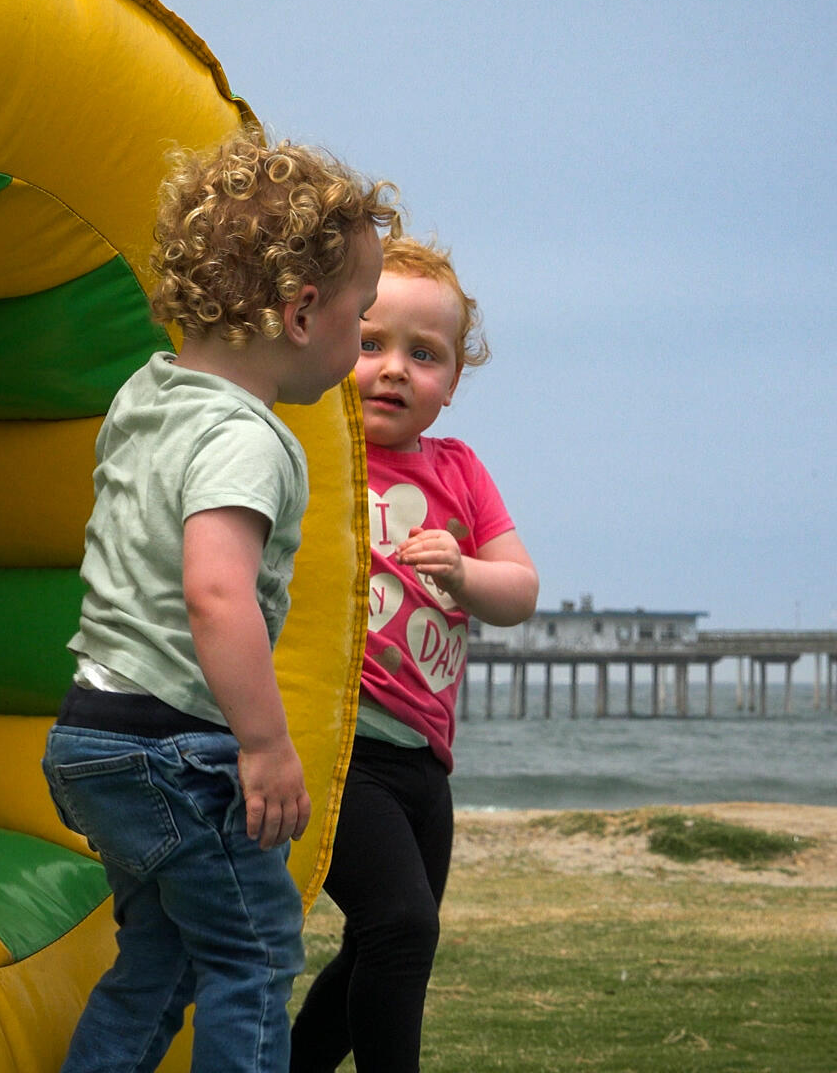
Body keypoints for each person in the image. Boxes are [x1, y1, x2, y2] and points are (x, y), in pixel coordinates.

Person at [42, 124, 397, 1073]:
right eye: (363, 314)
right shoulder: (243, 439)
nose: (364, 339)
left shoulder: (148, 395)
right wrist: (267, 744)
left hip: (95, 736)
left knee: (161, 958)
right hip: (176, 751)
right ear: (302, 311)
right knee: (254, 954)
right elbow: (214, 591)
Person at [290, 235, 539, 1073]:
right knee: (400, 925)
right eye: (369, 342)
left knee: (383, 946)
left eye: (423, 354)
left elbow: (521, 591)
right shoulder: (314, 450)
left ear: (453, 383)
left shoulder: (461, 472)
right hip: (339, 749)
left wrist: (466, 572)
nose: (393, 368)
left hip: (424, 767)